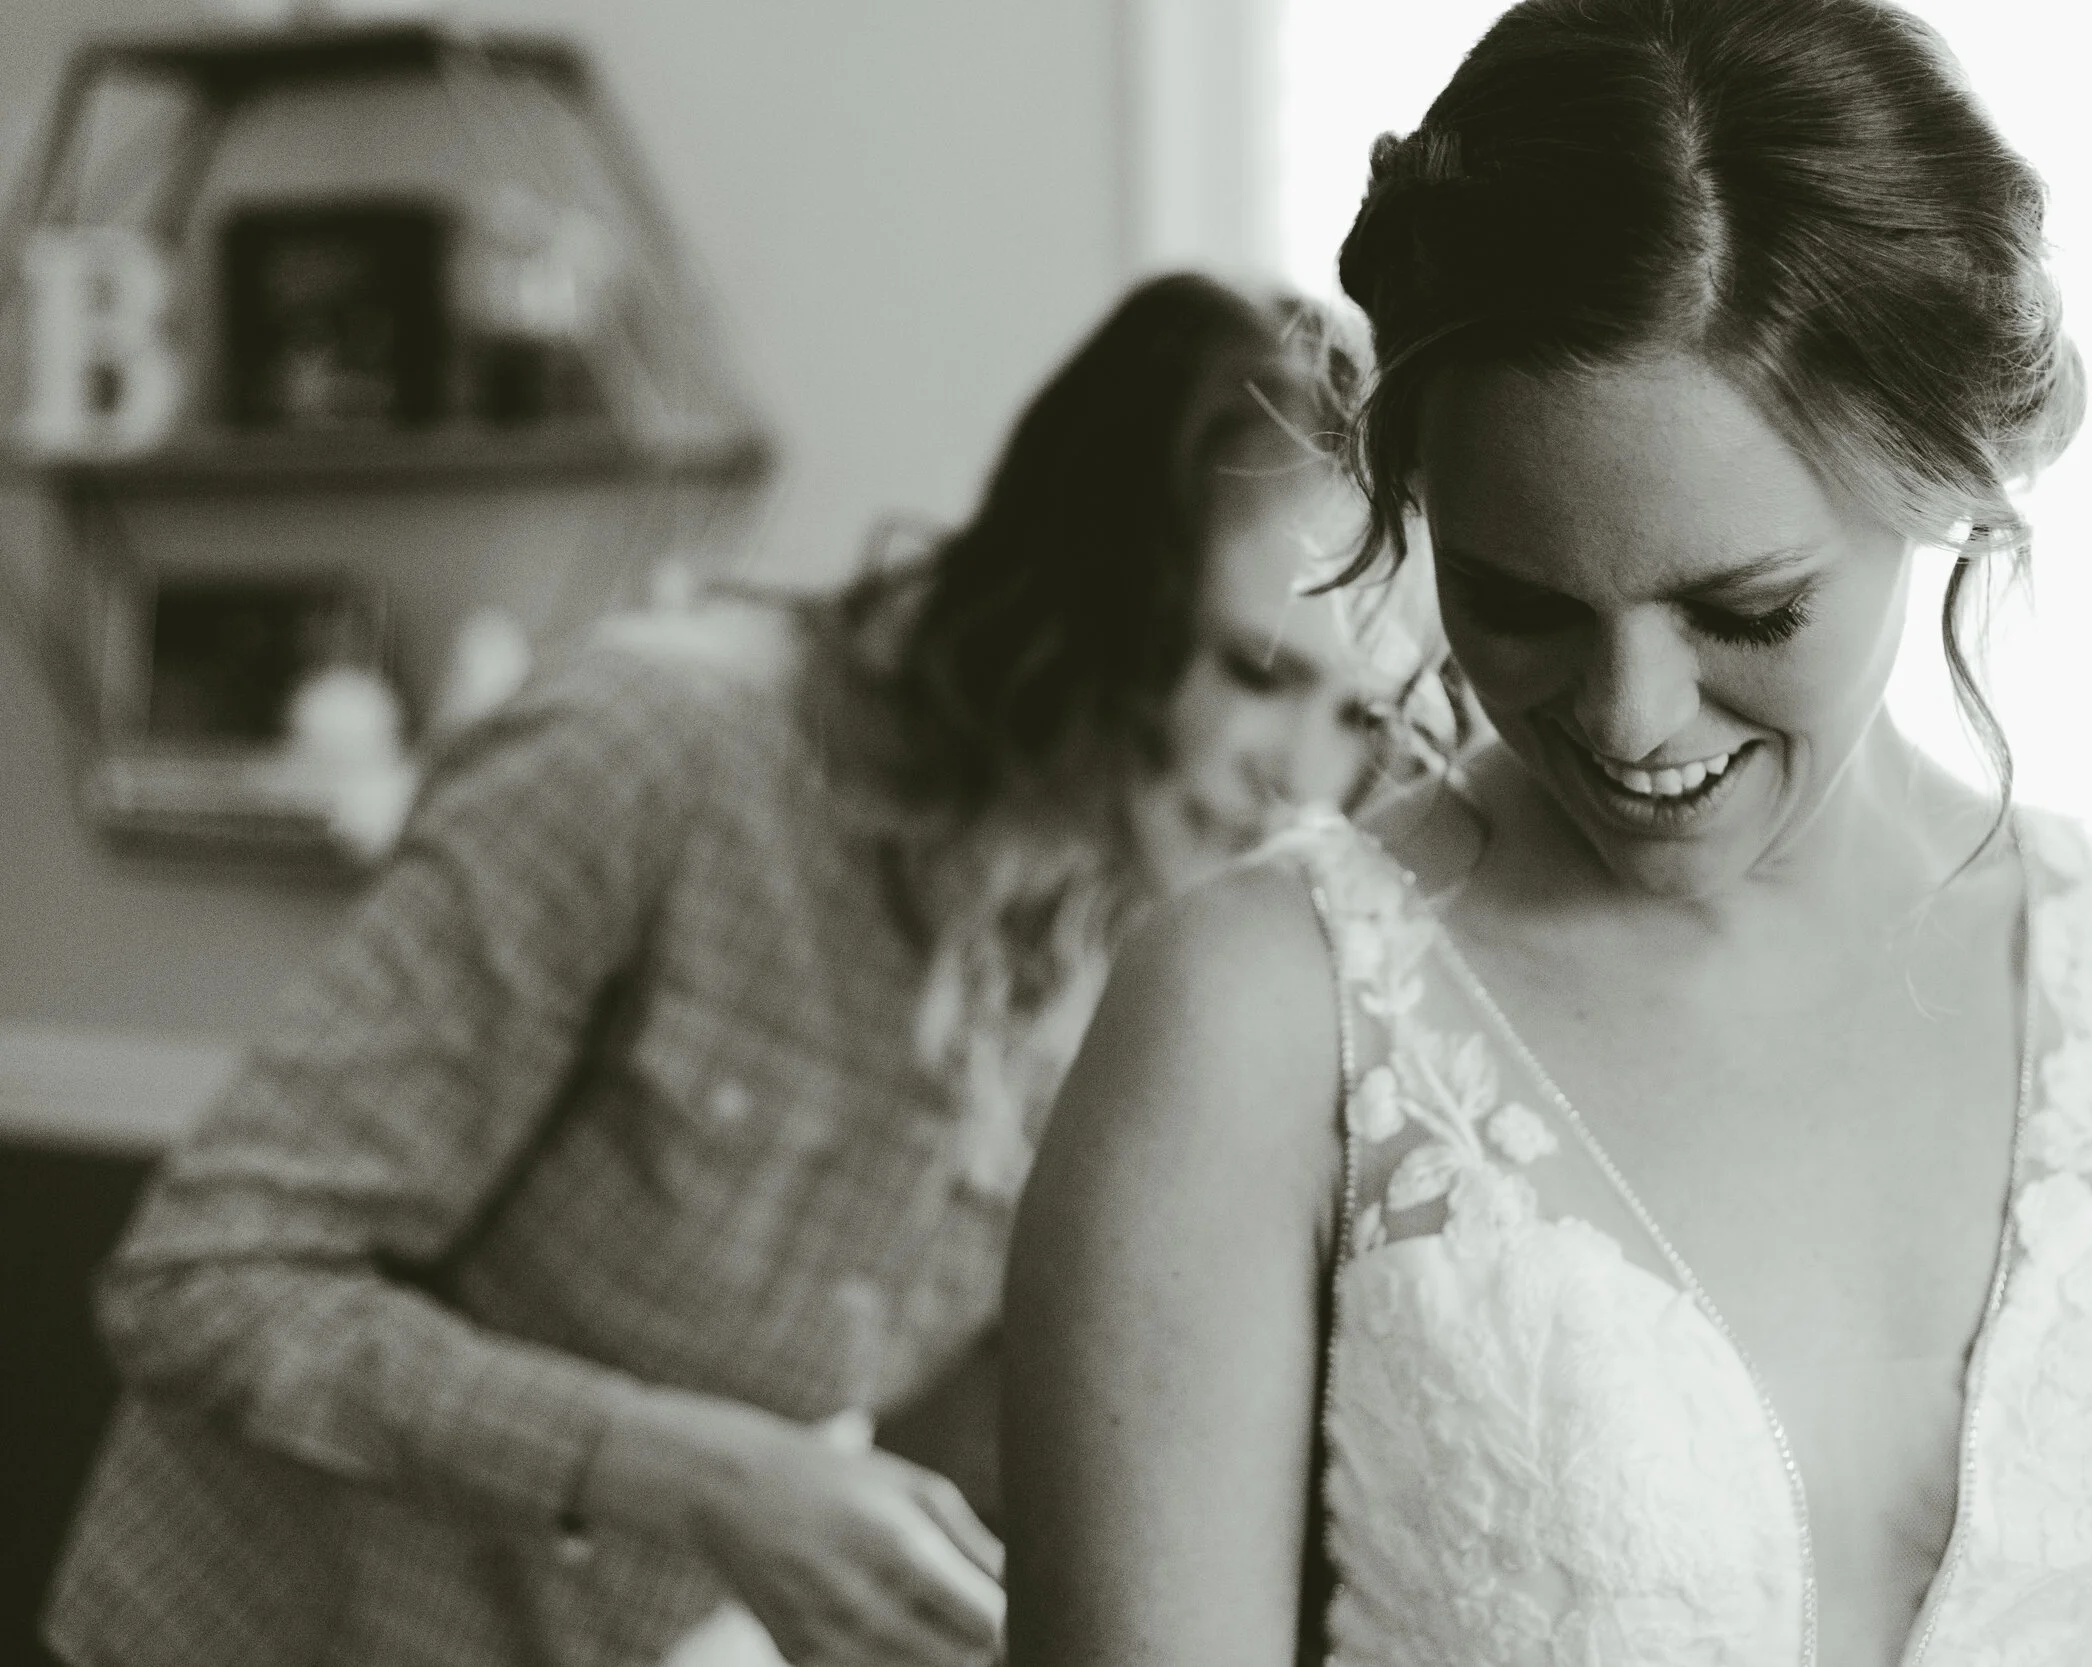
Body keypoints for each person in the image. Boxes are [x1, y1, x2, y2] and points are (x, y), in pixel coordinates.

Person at [1001, 6, 2092, 1665]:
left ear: (1948, 479)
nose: (1633, 716)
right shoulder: (1252, 1017)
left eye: (1746, 608)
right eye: (1518, 603)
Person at [45, 271, 1416, 1667]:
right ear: (1089, 591)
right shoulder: (653, 755)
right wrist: (703, 1476)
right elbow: (202, 1281)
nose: (1301, 779)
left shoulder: (1161, 915)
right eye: (1253, 670)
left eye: (1356, 709)